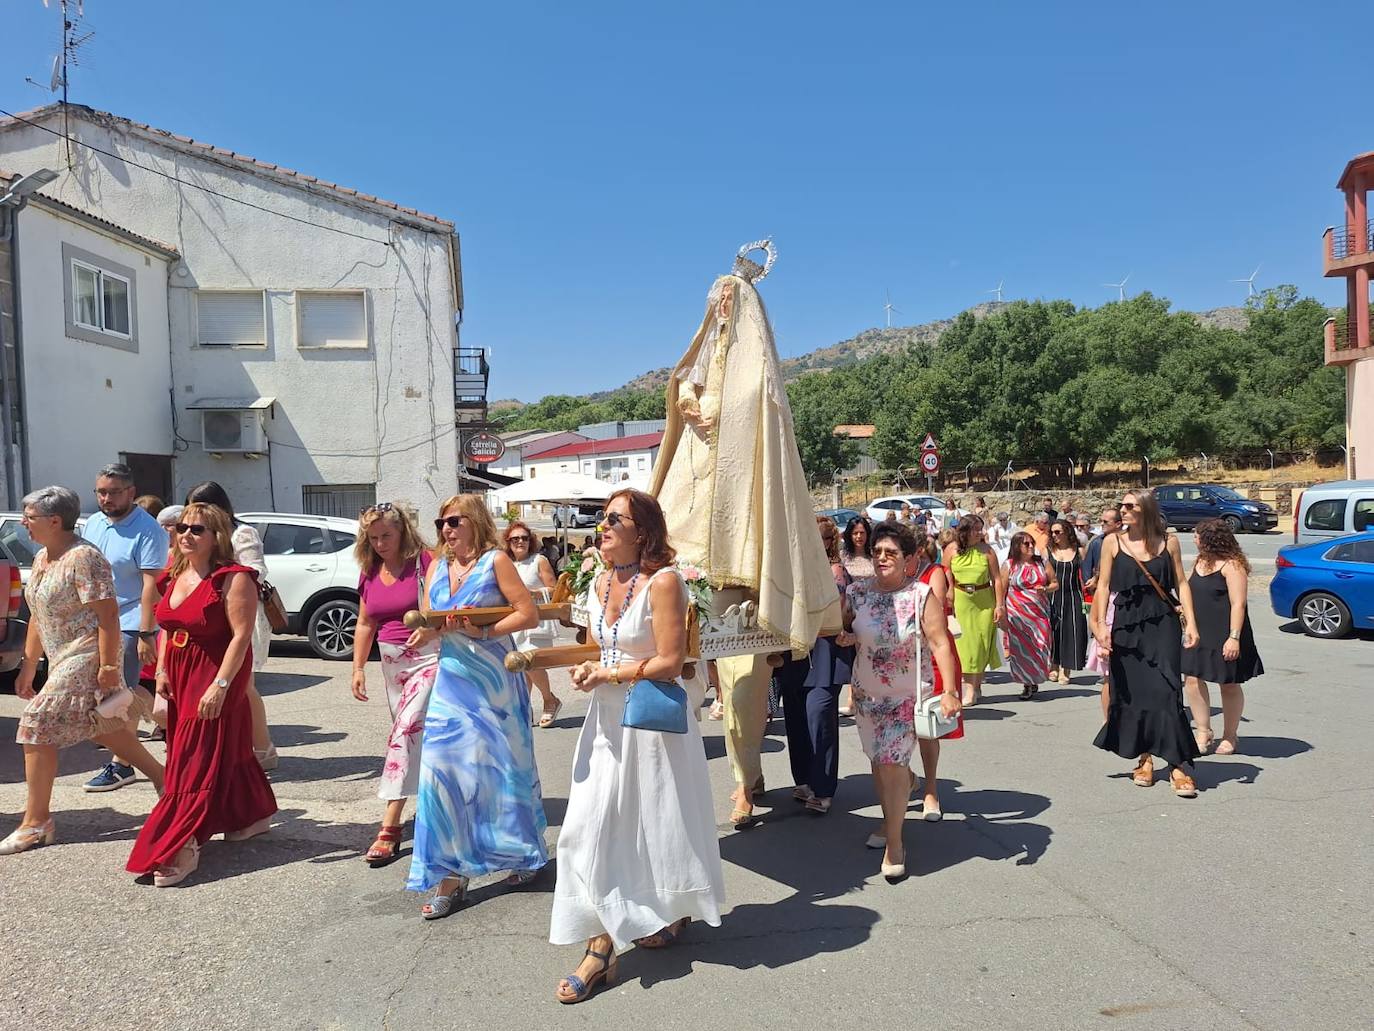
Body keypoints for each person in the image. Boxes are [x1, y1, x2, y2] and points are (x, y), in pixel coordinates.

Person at [553, 489, 725, 1003]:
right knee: (586, 828)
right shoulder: (599, 580)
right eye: (602, 519)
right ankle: (616, 930)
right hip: (604, 723)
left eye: (613, 519)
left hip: (650, 725)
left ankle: (606, 946)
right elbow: (597, 645)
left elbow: (671, 662)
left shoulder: (665, 582)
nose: (601, 526)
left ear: (642, 531)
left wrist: (610, 671)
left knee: (654, 826)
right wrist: (587, 668)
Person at [2, 488, 165, 856]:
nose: (24, 523)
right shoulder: (44, 557)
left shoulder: (85, 558)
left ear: (55, 521)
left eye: (29, 517)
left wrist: (109, 667)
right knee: (103, 727)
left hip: (88, 653)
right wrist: (29, 667)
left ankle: (36, 822)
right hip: (60, 657)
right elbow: (37, 617)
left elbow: (108, 616)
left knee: (36, 724)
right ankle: (165, 779)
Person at [406, 495, 547, 919]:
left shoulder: (496, 561)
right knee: (443, 774)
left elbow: (527, 614)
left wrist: (483, 632)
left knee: (501, 771)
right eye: (441, 522)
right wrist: (428, 633)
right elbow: (434, 618)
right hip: (452, 680)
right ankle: (450, 874)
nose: (446, 529)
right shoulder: (435, 565)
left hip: (495, 682)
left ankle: (520, 853)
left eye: (454, 521)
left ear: (475, 522)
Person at [126, 503, 276, 885]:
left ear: (216, 537)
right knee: (207, 750)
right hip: (179, 671)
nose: (186, 536)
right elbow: (168, 627)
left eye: (197, 530)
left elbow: (242, 636)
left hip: (213, 671)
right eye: (181, 529)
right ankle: (251, 814)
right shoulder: (176, 575)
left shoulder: (233, 577)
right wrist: (160, 669)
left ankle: (183, 840)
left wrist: (221, 686)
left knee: (192, 759)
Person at [844, 523, 960, 881]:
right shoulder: (856, 593)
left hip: (907, 695)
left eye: (890, 552)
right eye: (877, 552)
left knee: (890, 765)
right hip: (867, 695)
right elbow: (841, 628)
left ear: (909, 559)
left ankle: (895, 843)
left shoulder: (921, 595)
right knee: (880, 765)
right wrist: (846, 637)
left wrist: (951, 691)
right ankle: (891, 815)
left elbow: (940, 643)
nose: (882, 558)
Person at [1090, 489, 1201, 798]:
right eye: (1121, 506)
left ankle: (1177, 763)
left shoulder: (1170, 543)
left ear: (1146, 510)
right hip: (1125, 624)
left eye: (1129, 506)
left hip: (1162, 623)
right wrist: (1099, 626)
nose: (1122, 511)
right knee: (1133, 694)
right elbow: (1103, 586)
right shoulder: (1113, 542)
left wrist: (1191, 623)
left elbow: (1181, 582)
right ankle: (1145, 759)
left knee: (1167, 691)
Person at [350, 503, 440, 866]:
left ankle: (390, 824)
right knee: (419, 738)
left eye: (386, 535)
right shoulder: (370, 569)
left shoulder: (426, 562)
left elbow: (440, 607)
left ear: (402, 531)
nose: (380, 543)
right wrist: (357, 667)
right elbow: (365, 622)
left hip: (429, 657)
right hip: (391, 663)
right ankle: (436, 808)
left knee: (404, 733)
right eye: (373, 538)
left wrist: (429, 624)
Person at [80, 463, 168, 792]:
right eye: (101, 492)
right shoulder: (94, 524)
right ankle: (172, 722)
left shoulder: (149, 531)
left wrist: (146, 634)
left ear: (131, 492)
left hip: (130, 623)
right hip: (95, 623)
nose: (106, 498)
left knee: (120, 698)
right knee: (117, 695)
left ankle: (123, 764)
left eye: (114, 492)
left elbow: (150, 586)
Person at [183, 482, 279, 770]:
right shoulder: (194, 534)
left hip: (237, 613)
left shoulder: (242, 532)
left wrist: (222, 573)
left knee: (243, 685)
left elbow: (257, 571)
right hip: (207, 618)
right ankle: (241, 751)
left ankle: (263, 750)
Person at [776, 517, 853, 816]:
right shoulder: (790, 572)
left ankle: (823, 788)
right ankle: (804, 780)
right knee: (795, 719)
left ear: (828, 542)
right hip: (794, 653)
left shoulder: (836, 572)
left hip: (824, 652)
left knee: (819, 716)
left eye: (820, 538)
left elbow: (840, 611)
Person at [1181, 519, 1264, 755]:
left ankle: (1230, 735)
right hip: (1198, 631)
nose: (1194, 539)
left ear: (1210, 539)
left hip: (1226, 632)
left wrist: (1234, 637)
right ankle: (1203, 730)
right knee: (1192, 679)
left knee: (1228, 684)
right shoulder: (1199, 562)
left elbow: (1239, 604)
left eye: (1197, 535)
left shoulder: (1232, 565)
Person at [910, 528, 962, 819]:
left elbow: (937, 614)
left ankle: (931, 789)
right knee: (897, 726)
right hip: (899, 657)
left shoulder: (935, 572)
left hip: (929, 653)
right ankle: (905, 777)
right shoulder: (890, 576)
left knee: (925, 726)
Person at [503, 520, 563, 727]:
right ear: (508, 542)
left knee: (530, 664)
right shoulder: (506, 564)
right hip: (514, 622)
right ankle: (524, 709)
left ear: (531, 541)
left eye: (524, 538)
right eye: (515, 539)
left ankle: (549, 699)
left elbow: (555, 589)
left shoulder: (539, 560)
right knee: (520, 669)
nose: (520, 542)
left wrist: (534, 593)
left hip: (536, 621)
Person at [942, 515, 1004, 706]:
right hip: (961, 600)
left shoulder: (987, 550)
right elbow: (944, 572)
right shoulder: (952, 549)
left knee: (981, 644)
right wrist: (949, 590)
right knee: (967, 646)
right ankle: (969, 690)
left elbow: (997, 579)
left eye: (981, 528)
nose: (980, 532)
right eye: (975, 529)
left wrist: (1000, 605)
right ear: (965, 531)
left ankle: (975, 685)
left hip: (984, 600)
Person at [1000, 531, 1056, 699]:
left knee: (1040, 646)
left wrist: (1045, 589)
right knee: (1022, 650)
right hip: (1017, 614)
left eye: (1032, 543)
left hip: (1039, 613)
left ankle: (1035, 678)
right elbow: (1001, 590)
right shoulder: (1009, 565)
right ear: (1017, 546)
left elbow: (1055, 583)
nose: (1031, 546)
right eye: (1026, 544)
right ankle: (1027, 683)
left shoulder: (1042, 563)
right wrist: (1000, 610)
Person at [1047, 518, 1088, 685]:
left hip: (1073, 595)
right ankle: (1053, 666)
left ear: (1067, 532)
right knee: (1053, 630)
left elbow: (1085, 575)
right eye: (1052, 532)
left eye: (1058, 532)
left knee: (1072, 631)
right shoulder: (1048, 550)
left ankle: (1066, 669)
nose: (1054, 535)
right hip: (1053, 595)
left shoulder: (1079, 551)